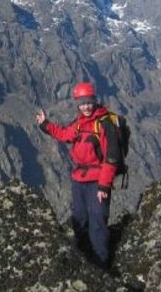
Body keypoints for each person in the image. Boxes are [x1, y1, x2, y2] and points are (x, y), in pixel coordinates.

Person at [35, 82, 121, 268]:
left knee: (97, 219)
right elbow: (65, 135)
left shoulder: (104, 124)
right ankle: (83, 258)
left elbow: (112, 158)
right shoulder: (80, 123)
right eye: (82, 103)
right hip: (79, 179)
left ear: (95, 101)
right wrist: (46, 124)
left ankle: (101, 264)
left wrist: (104, 186)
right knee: (80, 218)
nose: (86, 106)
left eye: (89, 102)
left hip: (98, 181)